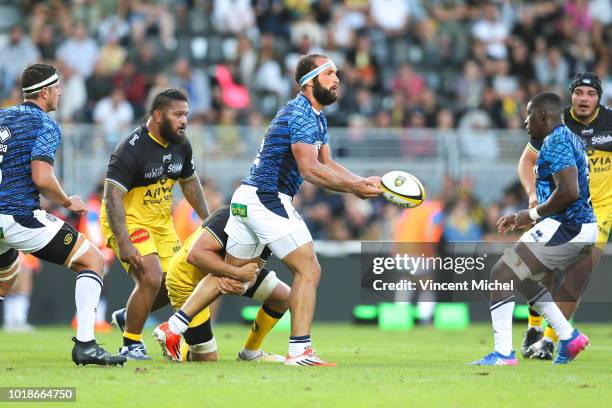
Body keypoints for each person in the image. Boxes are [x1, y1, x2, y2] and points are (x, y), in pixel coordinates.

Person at [224, 54, 382, 366]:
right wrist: (353, 189)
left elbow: (327, 163)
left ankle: (175, 327)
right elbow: (310, 170)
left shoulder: (316, 116)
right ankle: (299, 351)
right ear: (310, 81)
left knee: (234, 277)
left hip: (250, 195)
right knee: (309, 269)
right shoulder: (302, 114)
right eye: (331, 74)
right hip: (268, 197)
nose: (338, 80)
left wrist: (361, 181)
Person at [0, 63, 125, 366]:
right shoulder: (45, 124)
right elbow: (42, 178)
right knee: (92, 260)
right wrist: (68, 201)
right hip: (18, 215)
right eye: (57, 88)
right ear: (44, 92)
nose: (60, 93)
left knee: (7, 273)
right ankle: (86, 344)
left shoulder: (3, 116)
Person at [470, 92, 596, 366]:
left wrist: (530, 214)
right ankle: (569, 337)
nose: (525, 122)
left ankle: (503, 354)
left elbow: (569, 192)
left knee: (501, 273)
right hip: (576, 227)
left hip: (568, 226)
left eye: (528, 115)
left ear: (541, 115)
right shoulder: (564, 138)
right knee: (524, 279)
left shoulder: (556, 140)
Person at [101, 89, 209, 360]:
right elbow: (112, 197)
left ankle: (130, 315)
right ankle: (130, 344)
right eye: (178, 114)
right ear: (158, 115)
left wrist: (209, 220)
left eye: (186, 114)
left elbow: (190, 182)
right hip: (128, 220)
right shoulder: (130, 150)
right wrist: (123, 241)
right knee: (150, 276)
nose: (184, 120)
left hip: (161, 223)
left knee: (177, 282)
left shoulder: (181, 144)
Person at [517, 72, 612, 359]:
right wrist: (533, 195)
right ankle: (534, 328)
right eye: (579, 92)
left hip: (600, 213)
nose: (584, 99)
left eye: (591, 93)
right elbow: (526, 161)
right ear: (571, 95)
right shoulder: (556, 123)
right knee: (539, 270)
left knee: (578, 275)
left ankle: (548, 339)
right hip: (559, 207)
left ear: (599, 97)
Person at [152, 206, 290, 362]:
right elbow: (195, 255)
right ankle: (179, 341)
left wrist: (244, 285)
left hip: (224, 274)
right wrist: (236, 274)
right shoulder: (227, 215)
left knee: (284, 297)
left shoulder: (270, 230)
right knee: (206, 359)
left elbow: (254, 271)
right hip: (186, 279)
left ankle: (251, 353)